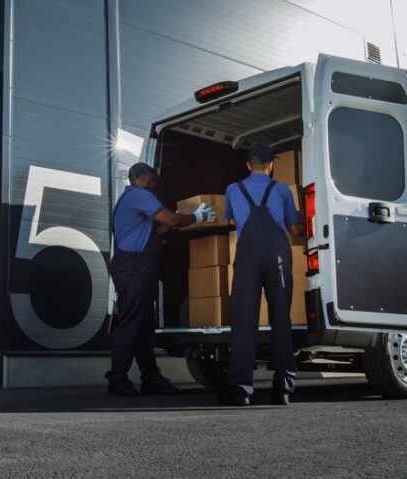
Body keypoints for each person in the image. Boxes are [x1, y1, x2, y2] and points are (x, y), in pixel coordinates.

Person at [107, 162, 215, 396]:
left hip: (136, 267)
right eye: (152, 176)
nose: (156, 180)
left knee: (143, 325)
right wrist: (196, 216)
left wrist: (177, 221)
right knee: (130, 323)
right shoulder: (139, 195)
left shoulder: (131, 199)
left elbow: (155, 232)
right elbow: (171, 220)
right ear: (140, 177)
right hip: (134, 267)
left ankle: (151, 378)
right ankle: (117, 379)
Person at [219, 144, 304, 406]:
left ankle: (240, 389)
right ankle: (283, 389)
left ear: (248, 165)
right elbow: (293, 227)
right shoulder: (281, 190)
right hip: (277, 256)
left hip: (247, 258)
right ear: (271, 166)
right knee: (280, 319)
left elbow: (231, 221)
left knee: (244, 321)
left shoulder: (233, 189)